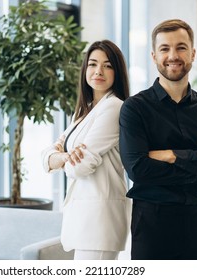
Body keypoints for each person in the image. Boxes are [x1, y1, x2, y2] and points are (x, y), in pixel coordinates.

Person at [119, 19, 197, 260]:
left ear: (193, 53)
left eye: (181, 47)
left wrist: (173, 155)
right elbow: (138, 169)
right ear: (154, 56)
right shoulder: (135, 108)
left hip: (195, 219)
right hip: (151, 220)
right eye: (165, 49)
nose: (173, 55)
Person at [42, 40, 132, 260]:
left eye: (107, 65)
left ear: (117, 72)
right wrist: (64, 156)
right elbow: (46, 157)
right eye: (92, 64)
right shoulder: (84, 112)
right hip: (85, 219)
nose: (98, 71)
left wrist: (61, 159)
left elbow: (80, 167)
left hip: (100, 220)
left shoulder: (114, 107)